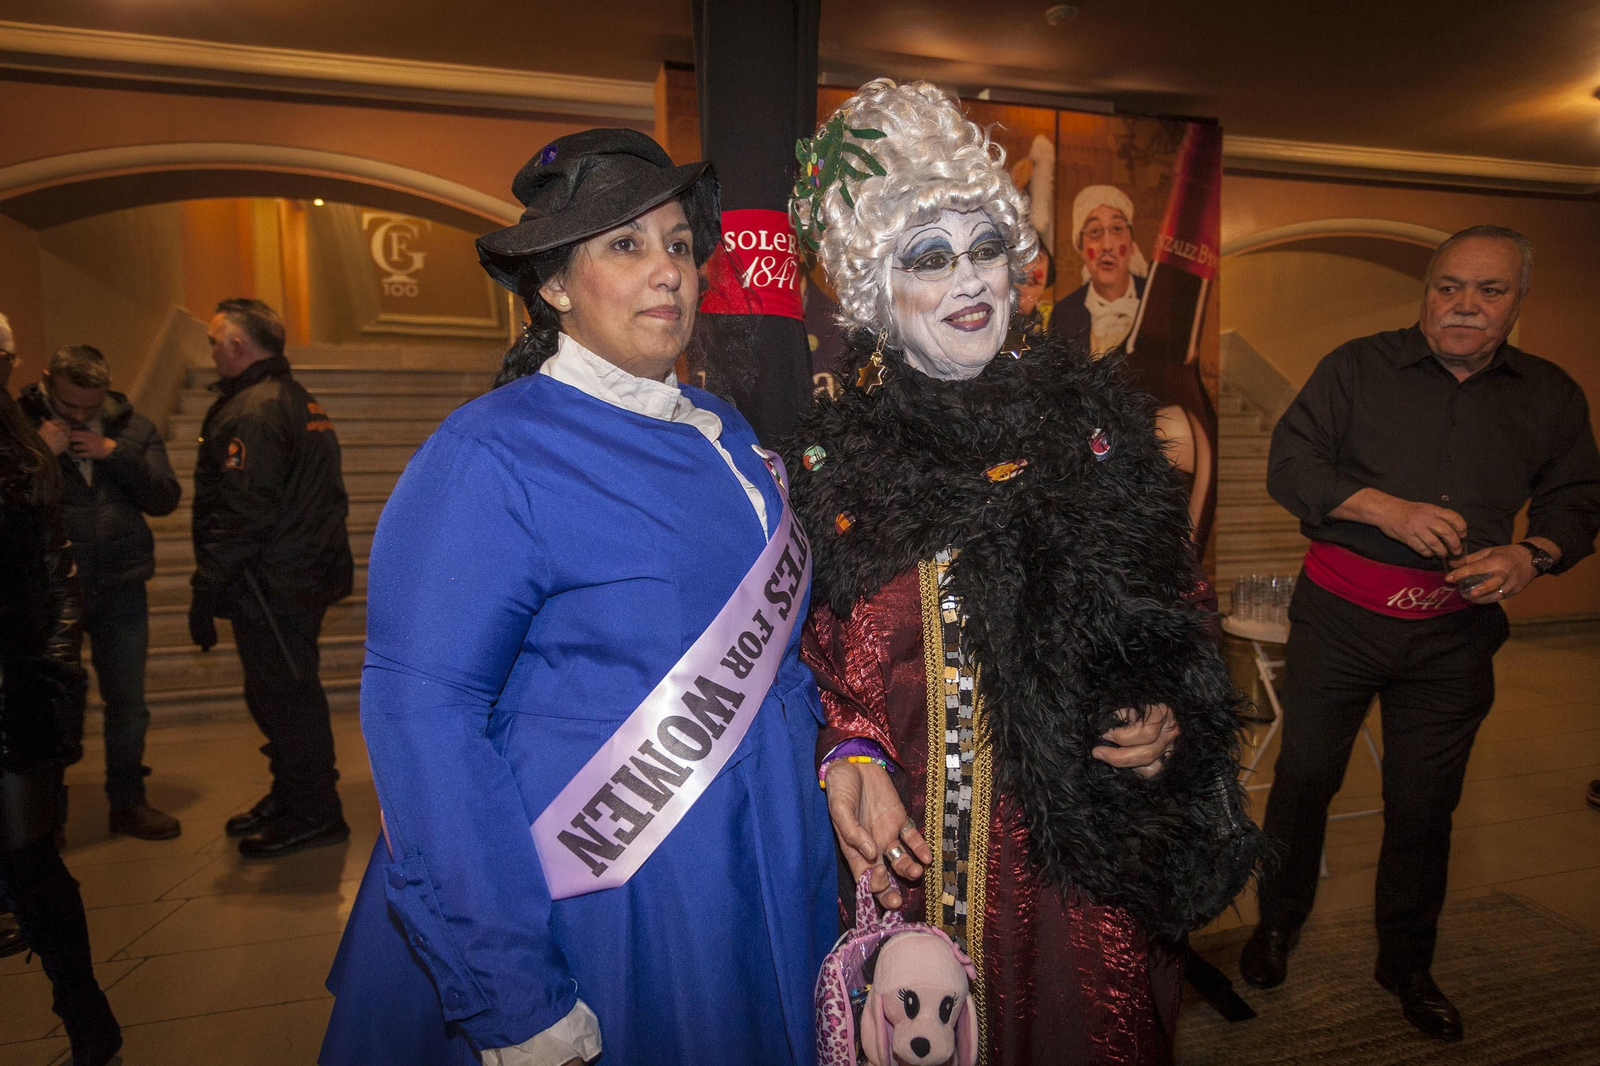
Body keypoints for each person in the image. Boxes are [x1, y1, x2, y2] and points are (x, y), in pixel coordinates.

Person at [320, 129, 837, 1066]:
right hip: (613, 900)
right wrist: (510, 991)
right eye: (626, 246)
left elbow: (783, 654)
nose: (668, 272)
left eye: (680, 244)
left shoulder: (724, 429)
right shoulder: (488, 454)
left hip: (760, 867)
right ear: (554, 285)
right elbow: (423, 718)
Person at [786, 80, 1260, 1066]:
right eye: (929, 256)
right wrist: (852, 750)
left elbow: (1182, 624)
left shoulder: (1104, 439)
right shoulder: (841, 468)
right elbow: (818, 663)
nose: (968, 278)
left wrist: (1171, 717)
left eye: (985, 247)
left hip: (1079, 888)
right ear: (878, 290)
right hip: (913, 875)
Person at [1244, 225, 1600, 1042]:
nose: (1466, 305)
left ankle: (1406, 962)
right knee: (1304, 782)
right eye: (1450, 287)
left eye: (1490, 290)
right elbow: (1290, 465)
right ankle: (1275, 925)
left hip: (1454, 635)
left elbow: (1578, 499)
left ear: (1517, 301)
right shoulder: (1356, 366)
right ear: (1427, 291)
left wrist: (1531, 554)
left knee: (1424, 806)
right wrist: (1383, 507)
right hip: (1338, 621)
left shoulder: (1549, 393)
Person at [0, 314, 123, 1066]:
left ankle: (86, 1018)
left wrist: (52, 693)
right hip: (26, 687)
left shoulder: (19, 459)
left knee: (31, 864)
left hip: (15, 695)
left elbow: (53, 590)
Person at [190, 299, 354, 858]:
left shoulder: (256, 410)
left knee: (288, 700)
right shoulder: (291, 398)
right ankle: (292, 795)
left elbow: (244, 511)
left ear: (239, 346)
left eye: (215, 341)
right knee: (279, 696)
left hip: (274, 584)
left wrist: (205, 586)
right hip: (292, 578)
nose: (211, 352)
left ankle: (313, 812)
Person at [19, 345, 182, 841]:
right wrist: (39, 456)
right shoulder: (18, 427)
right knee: (48, 703)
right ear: (47, 382)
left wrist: (117, 456)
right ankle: (46, 815)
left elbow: (165, 498)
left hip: (120, 584)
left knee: (128, 703)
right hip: (48, 590)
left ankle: (128, 802)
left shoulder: (134, 428)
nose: (80, 416)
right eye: (70, 406)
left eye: (91, 407)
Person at [1049, 185, 1213, 542]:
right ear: (1081, 247)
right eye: (1094, 231)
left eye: (1117, 229)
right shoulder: (1066, 313)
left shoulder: (1159, 301)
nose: (1107, 244)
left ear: (1132, 240)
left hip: (1157, 451)